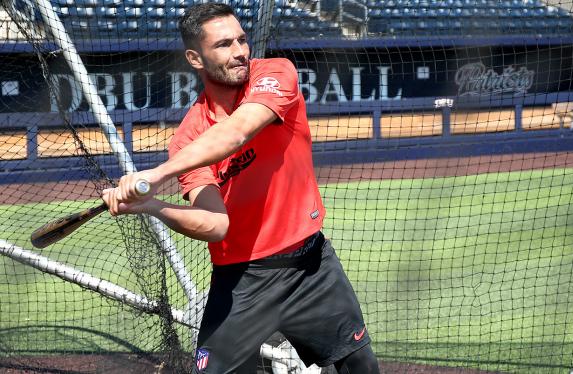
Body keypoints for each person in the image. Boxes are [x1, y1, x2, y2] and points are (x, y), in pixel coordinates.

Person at [101, 3, 380, 374]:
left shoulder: (275, 74)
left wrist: (157, 174)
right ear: (195, 58)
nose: (239, 52)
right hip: (243, 281)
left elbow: (237, 132)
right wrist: (150, 205)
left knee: (360, 367)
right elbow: (215, 225)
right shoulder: (188, 139)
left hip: (311, 267)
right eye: (224, 45)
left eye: (242, 40)